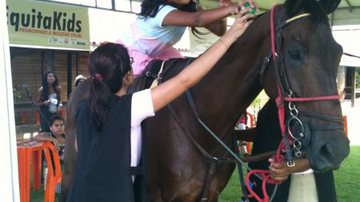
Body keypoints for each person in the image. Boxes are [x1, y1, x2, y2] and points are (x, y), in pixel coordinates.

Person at [67, 10, 255, 202]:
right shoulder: (132, 107)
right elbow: (185, 80)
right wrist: (230, 36)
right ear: (128, 77)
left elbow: (79, 147)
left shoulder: (83, 108)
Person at [119, 0, 257, 75]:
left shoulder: (191, 7)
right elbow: (197, 19)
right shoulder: (162, 11)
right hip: (130, 56)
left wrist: (223, 13)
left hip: (156, 54)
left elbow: (218, 30)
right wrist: (230, 9)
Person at [248, 100, 337, 202]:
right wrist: (235, 134)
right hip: (264, 185)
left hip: (303, 185)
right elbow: (263, 131)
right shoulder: (273, 104)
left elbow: (327, 151)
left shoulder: (312, 103)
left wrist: (290, 167)